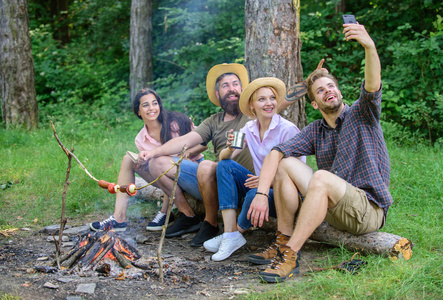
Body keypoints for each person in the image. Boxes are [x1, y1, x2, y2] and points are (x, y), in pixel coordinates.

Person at [248, 23, 392, 283]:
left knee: (322, 177)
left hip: (367, 210)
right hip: (336, 207)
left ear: (340, 92)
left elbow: (372, 84)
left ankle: (290, 255)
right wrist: (260, 194)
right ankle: (283, 241)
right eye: (321, 90)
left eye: (332, 87)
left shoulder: (362, 114)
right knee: (284, 162)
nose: (329, 91)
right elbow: (276, 152)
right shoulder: (316, 130)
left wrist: (369, 46)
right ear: (314, 103)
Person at [138, 64, 255, 246]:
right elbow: (185, 140)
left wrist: (305, 86)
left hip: (245, 180)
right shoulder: (213, 121)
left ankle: (210, 223)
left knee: (206, 165)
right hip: (218, 181)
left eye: (235, 84)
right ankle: (188, 216)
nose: (231, 89)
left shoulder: (253, 113)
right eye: (225, 86)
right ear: (218, 94)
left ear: (242, 89)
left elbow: (279, 101)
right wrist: (153, 152)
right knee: (157, 162)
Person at [202, 77, 305, 261]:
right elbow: (224, 158)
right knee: (224, 166)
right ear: (252, 106)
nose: (269, 103)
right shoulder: (248, 128)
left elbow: (298, 176)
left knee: (252, 195)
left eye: (272, 98)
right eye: (262, 99)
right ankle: (230, 233)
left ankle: (235, 232)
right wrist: (230, 148)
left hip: (282, 194)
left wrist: (269, 182)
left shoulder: (287, 130)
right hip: (259, 187)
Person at [90, 88, 206, 232]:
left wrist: (186, 153)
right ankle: (119, 218)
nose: (151, 108)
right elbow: (157, 166)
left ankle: (178, 214)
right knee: (129, 159)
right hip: (166, 176)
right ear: (138, 111)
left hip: (192, 174)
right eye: (145, 105)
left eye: (154, 103)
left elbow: (203, 143)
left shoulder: (177, 122)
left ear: (159, 105)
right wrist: (143, 162)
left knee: (158, 162)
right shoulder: (141, 139)